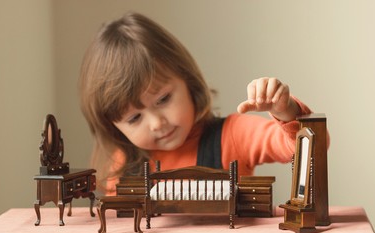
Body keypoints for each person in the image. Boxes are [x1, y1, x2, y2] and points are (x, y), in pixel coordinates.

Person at [79, 12, 313, 196]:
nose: (157, 123)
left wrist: (285, 110)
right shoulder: (122, 166)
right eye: (134, 118)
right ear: (113, 127)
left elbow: (309, 147)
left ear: (188, 82)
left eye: (163, 99)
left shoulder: (232, 135)